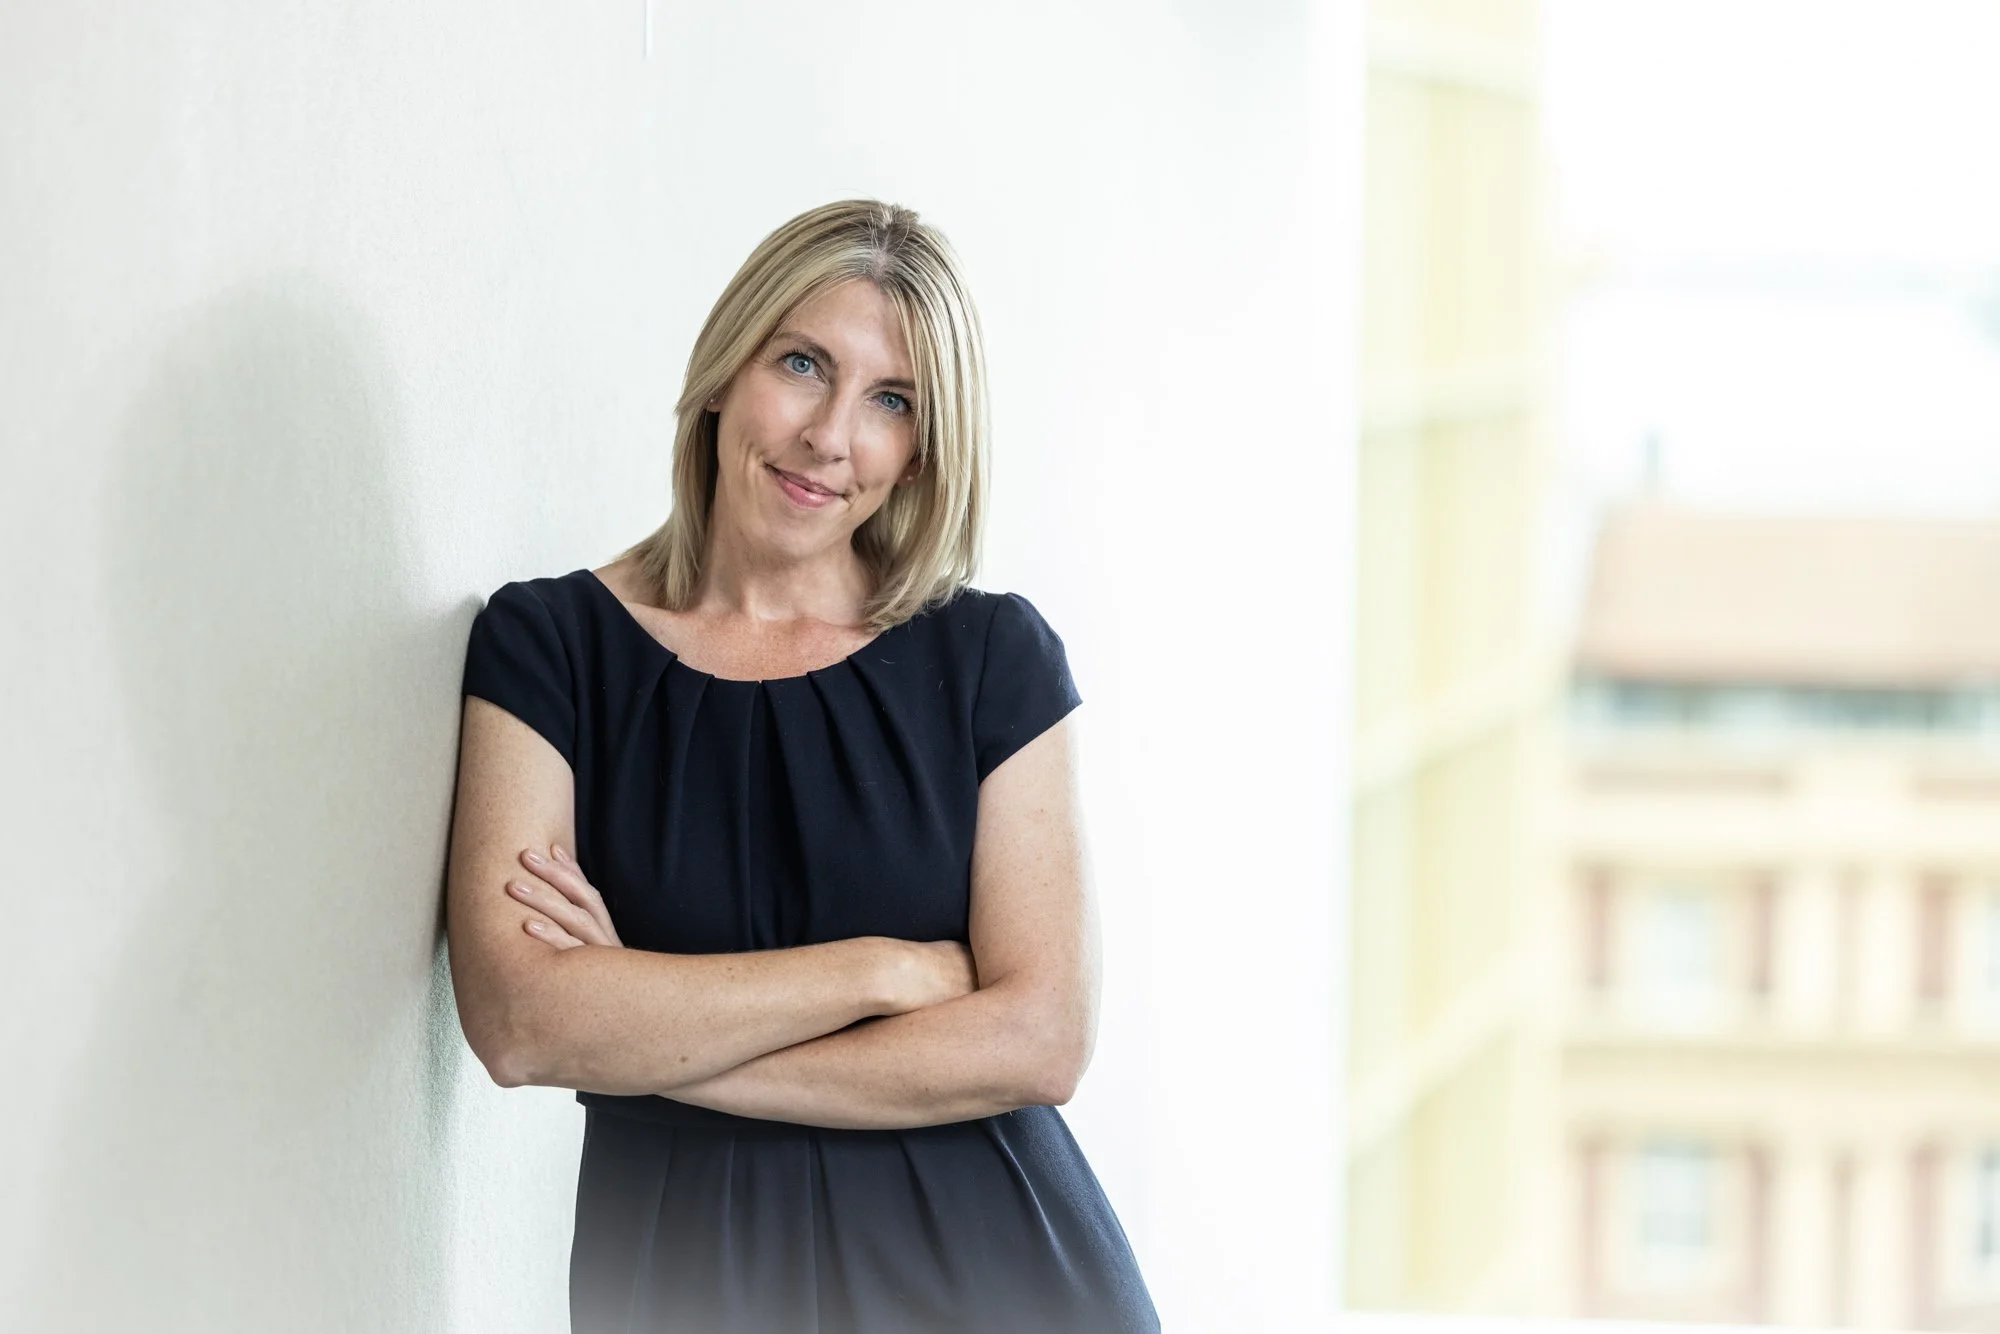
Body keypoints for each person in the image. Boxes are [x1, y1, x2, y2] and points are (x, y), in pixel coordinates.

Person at [446, 198, 1159, 1333]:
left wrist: (650, 1041)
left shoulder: (991, 660)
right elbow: (522, 1022)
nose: (831, 434)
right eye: (802, 363)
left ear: (920, 454)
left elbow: (1040, 1040)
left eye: (891, 401)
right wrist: (880, 972)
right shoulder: (549, 649)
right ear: (724, 371)